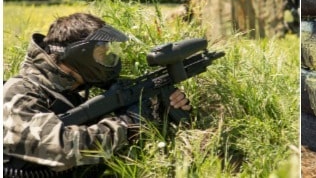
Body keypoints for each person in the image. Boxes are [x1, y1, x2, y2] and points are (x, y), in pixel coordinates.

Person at [3, 13, 191, 176]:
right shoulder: (19, 93)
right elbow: (60, 147)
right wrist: (126, 125)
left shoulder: (70, 92)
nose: (111, 61)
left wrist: (157, 110)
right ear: (80, 54)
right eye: (103, 54)